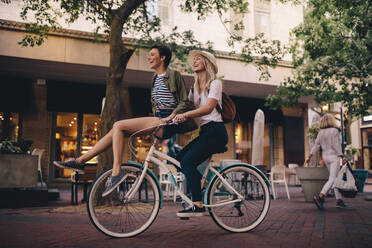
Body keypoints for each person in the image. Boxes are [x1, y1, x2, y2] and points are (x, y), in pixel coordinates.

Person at [54, 45, 196, 196]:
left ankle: (117, 171)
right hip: (160, 119)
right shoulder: (155, 78)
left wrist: (170, 117)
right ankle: (80, 161)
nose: (148, 57)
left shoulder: (174, 75)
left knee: (118, 125)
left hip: (168, 121)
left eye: (152, 54)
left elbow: (184, 102)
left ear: (163, 58)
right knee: (115, 131)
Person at [172, 50, 228, 217]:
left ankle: (197, 204)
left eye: (198, 59)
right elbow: (184, 106)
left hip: (216, 131)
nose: (194, 61)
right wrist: (169, 116)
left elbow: (209, 107)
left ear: (207, 63)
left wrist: (185, 115)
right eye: (194, 59)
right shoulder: (194, 88)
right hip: (205, 132)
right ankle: (199, 186)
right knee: (180, 160)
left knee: (188, 163)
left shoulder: (215, 84)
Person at [305, 113, 348, 209]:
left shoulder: (321, 132)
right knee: (333, 178)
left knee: (334, 178)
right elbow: (336, 145)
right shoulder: (334, 131)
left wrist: (310, 156)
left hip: (325, 157)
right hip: (334, 157)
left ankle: (339, 200)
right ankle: (320, 196)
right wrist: (342, 156)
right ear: (331, 120)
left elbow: (316, 145)